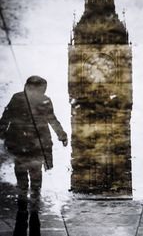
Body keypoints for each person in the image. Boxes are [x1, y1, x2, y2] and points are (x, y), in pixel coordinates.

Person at [0, 76, 68, 236]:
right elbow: (52, 120)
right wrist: (61, 134)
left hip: (19, 143)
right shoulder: (45, 100)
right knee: (36, 176)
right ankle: (34, 207)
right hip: (37, 145)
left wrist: (2, 132)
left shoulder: (17, 98)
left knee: (22, 175)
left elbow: (6, 117)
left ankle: (23, 204)